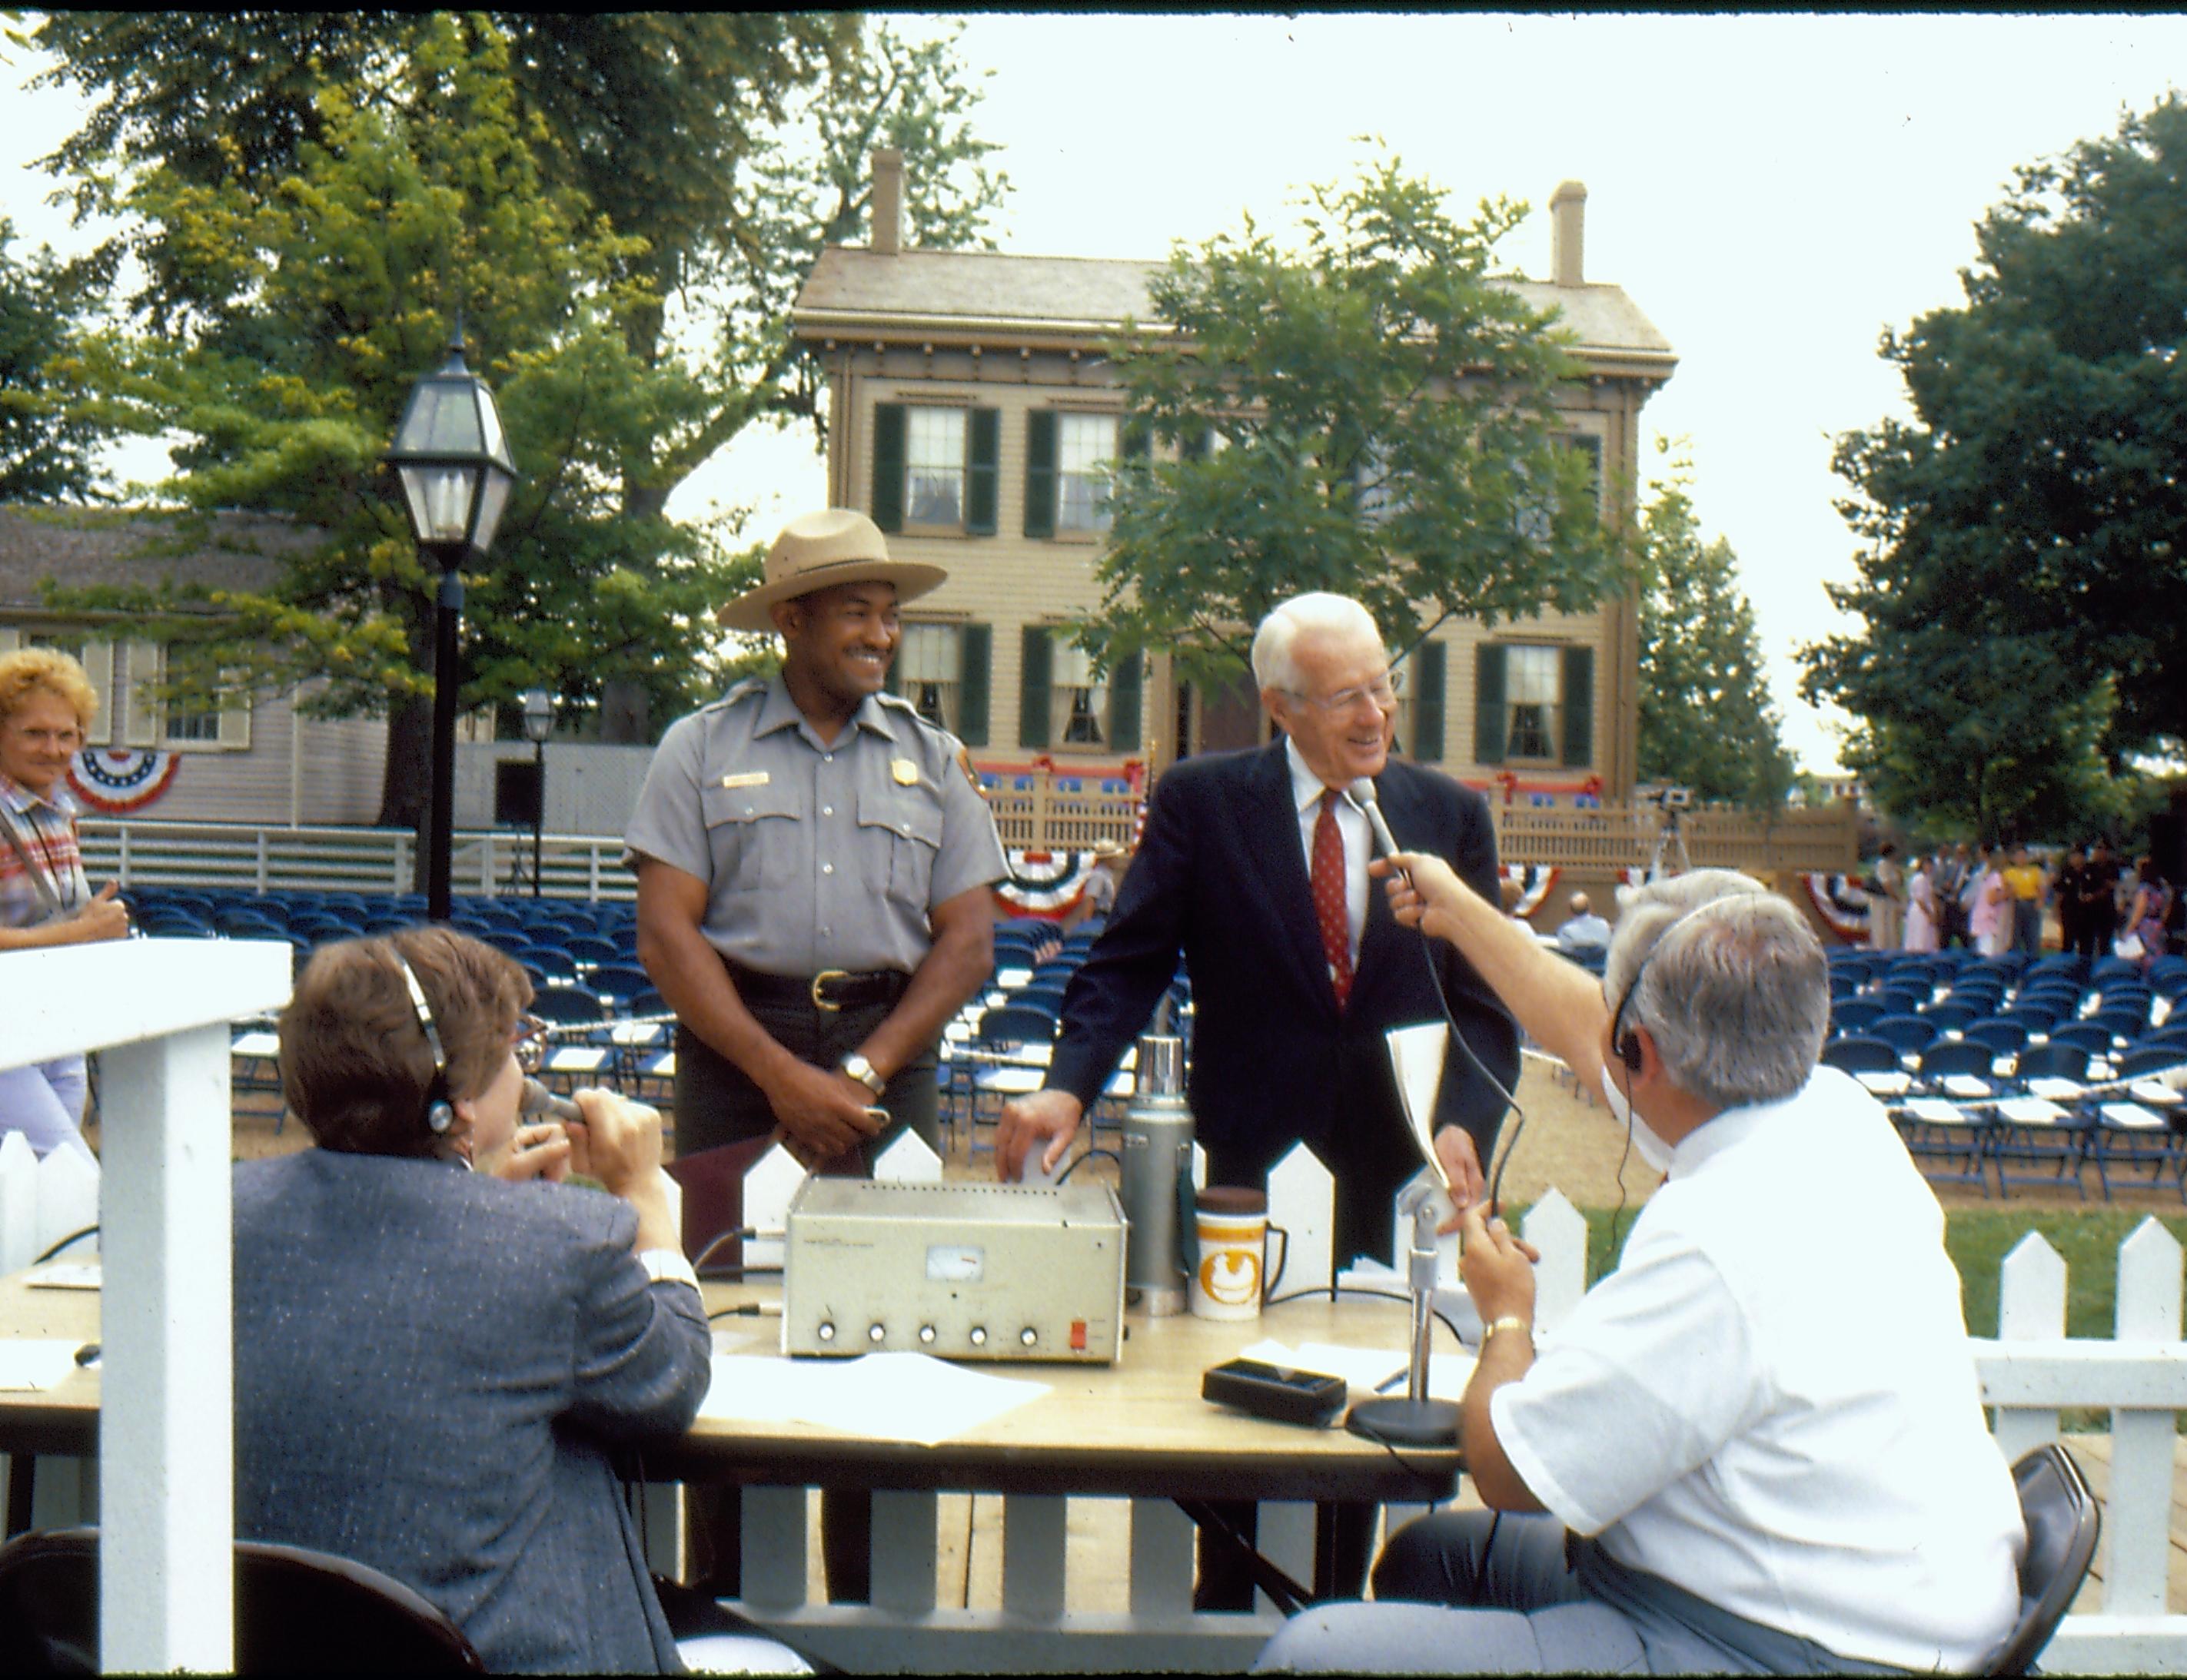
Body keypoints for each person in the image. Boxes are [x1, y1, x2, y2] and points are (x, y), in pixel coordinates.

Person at [1257, 864, 2025, 1675]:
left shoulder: (1714, 1237)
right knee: (1429, 1560)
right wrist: (1462, 912)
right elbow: (1598, 1024)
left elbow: (1510, 1473)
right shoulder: (1839, 1113)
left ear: (1643, 1051)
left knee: (1312, 1654)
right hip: (1892, 1602)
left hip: (1785, 1644)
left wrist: (1507, 1315)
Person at [625, 506, 1006, 1601]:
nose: (881, 634)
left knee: (896, 1327)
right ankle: (722, 1599)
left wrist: (865, 1071)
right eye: (855, 611)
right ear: (790, 620)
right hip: (738, 1046)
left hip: (891, 1058)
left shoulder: (933, 760)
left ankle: (875, 1606)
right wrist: (784, 1075)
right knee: (731, 1318)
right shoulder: (700, 749)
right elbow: (667, 935)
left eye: (889, 615)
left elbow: (970, 939)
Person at [231, 928, 714, 1674]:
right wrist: (646, 1193)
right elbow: (670, 1381)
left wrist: (484, 1208)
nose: (523, 1071)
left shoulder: (213, 1216)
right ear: (454, 1102)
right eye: (515, 1049)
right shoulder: (559, 1242)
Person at [993, 591, 1519, 1264]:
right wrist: (1068, 1085)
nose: (1375, 715)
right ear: (1281, 706)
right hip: (1248, 1172)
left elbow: (1485, 1002)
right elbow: (1128, 965)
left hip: (1410, 1174)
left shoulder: (1454, 817)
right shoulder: (1202, 803)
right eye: (1344, 698)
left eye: (1382, 686)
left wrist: (1463, 1125)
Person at [0, 647, 133, 1155]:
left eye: (66, 734)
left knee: (34, 1192)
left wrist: (96, 921)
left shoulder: (59, 811)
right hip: (4, 1035)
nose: (53, 749)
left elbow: (57, 917)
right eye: (34, 733)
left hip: (55, 1023)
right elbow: (62, 932)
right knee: (72, 1177)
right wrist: (78, 932)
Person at [2124, 857, 2172, 974]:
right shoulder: (2165, 890)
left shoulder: (2145, 889)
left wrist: (2127, 931)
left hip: (2144, 928)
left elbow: (2138, 914)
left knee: (2140, 960)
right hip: (2158, 927)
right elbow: (2166, 913)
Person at [2003, 845, 2049, 957]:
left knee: (2032, 936)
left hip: (2031, 903)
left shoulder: (2035, 871)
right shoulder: (2008, 872)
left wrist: (2040, 901)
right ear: (2013, 858)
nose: (2021, 858)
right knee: (2015, 936)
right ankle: (2014, 960)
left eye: (2023, 856)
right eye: (2018, 856)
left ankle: (2033, 960)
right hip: (2015, 904)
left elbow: (2042, 887)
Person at [1966, 845, 2010, 957]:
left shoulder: (1988, 876)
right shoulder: (1996, 877)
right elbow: (1992, 899)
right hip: (1988, 922)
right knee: (1988, 953)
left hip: (1983, 921)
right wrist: (2009, 893)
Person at [1862, 842, 1901, 951]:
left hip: (1891, 902)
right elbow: (1885, 883)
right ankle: (1880, 948)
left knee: (1892, 927)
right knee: (1881, 926)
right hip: (1881, 900)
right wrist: (1894, 896)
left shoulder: (1893, 866)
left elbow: (1899, 881)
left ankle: (1893, 948)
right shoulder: (1882, 865)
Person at [1555, 890, 1611, 958]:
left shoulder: (1565, 931)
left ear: (1570, 910)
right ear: (1590, 908)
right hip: (1601, 967)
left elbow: (1565, 952)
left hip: (1575, 967)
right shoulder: (1604, 925)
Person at [1902, 854, 1939, 952]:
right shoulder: (1919, 879)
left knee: (1928, 939)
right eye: (1927, 865)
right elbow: (1920, 899)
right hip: (1921, 912)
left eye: (1931, 865)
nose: (1929, 867)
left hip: (1927, 910)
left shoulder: (1928, 879)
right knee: (1920, 938)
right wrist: (1929, 914)